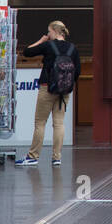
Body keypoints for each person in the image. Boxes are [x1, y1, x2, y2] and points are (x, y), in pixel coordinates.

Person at [16, 20, 80, 168]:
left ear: (55, 31)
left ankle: (33, 156)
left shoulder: (48, 45)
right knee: (59, 123)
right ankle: (56, 157)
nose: (47, 34)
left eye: (49, 32)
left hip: (47, 88)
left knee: (40, 123)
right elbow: (78, 71)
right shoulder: (73, 48)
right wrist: (67, 86)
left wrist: (41, 40)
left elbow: (27, 52)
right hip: (64, 91)